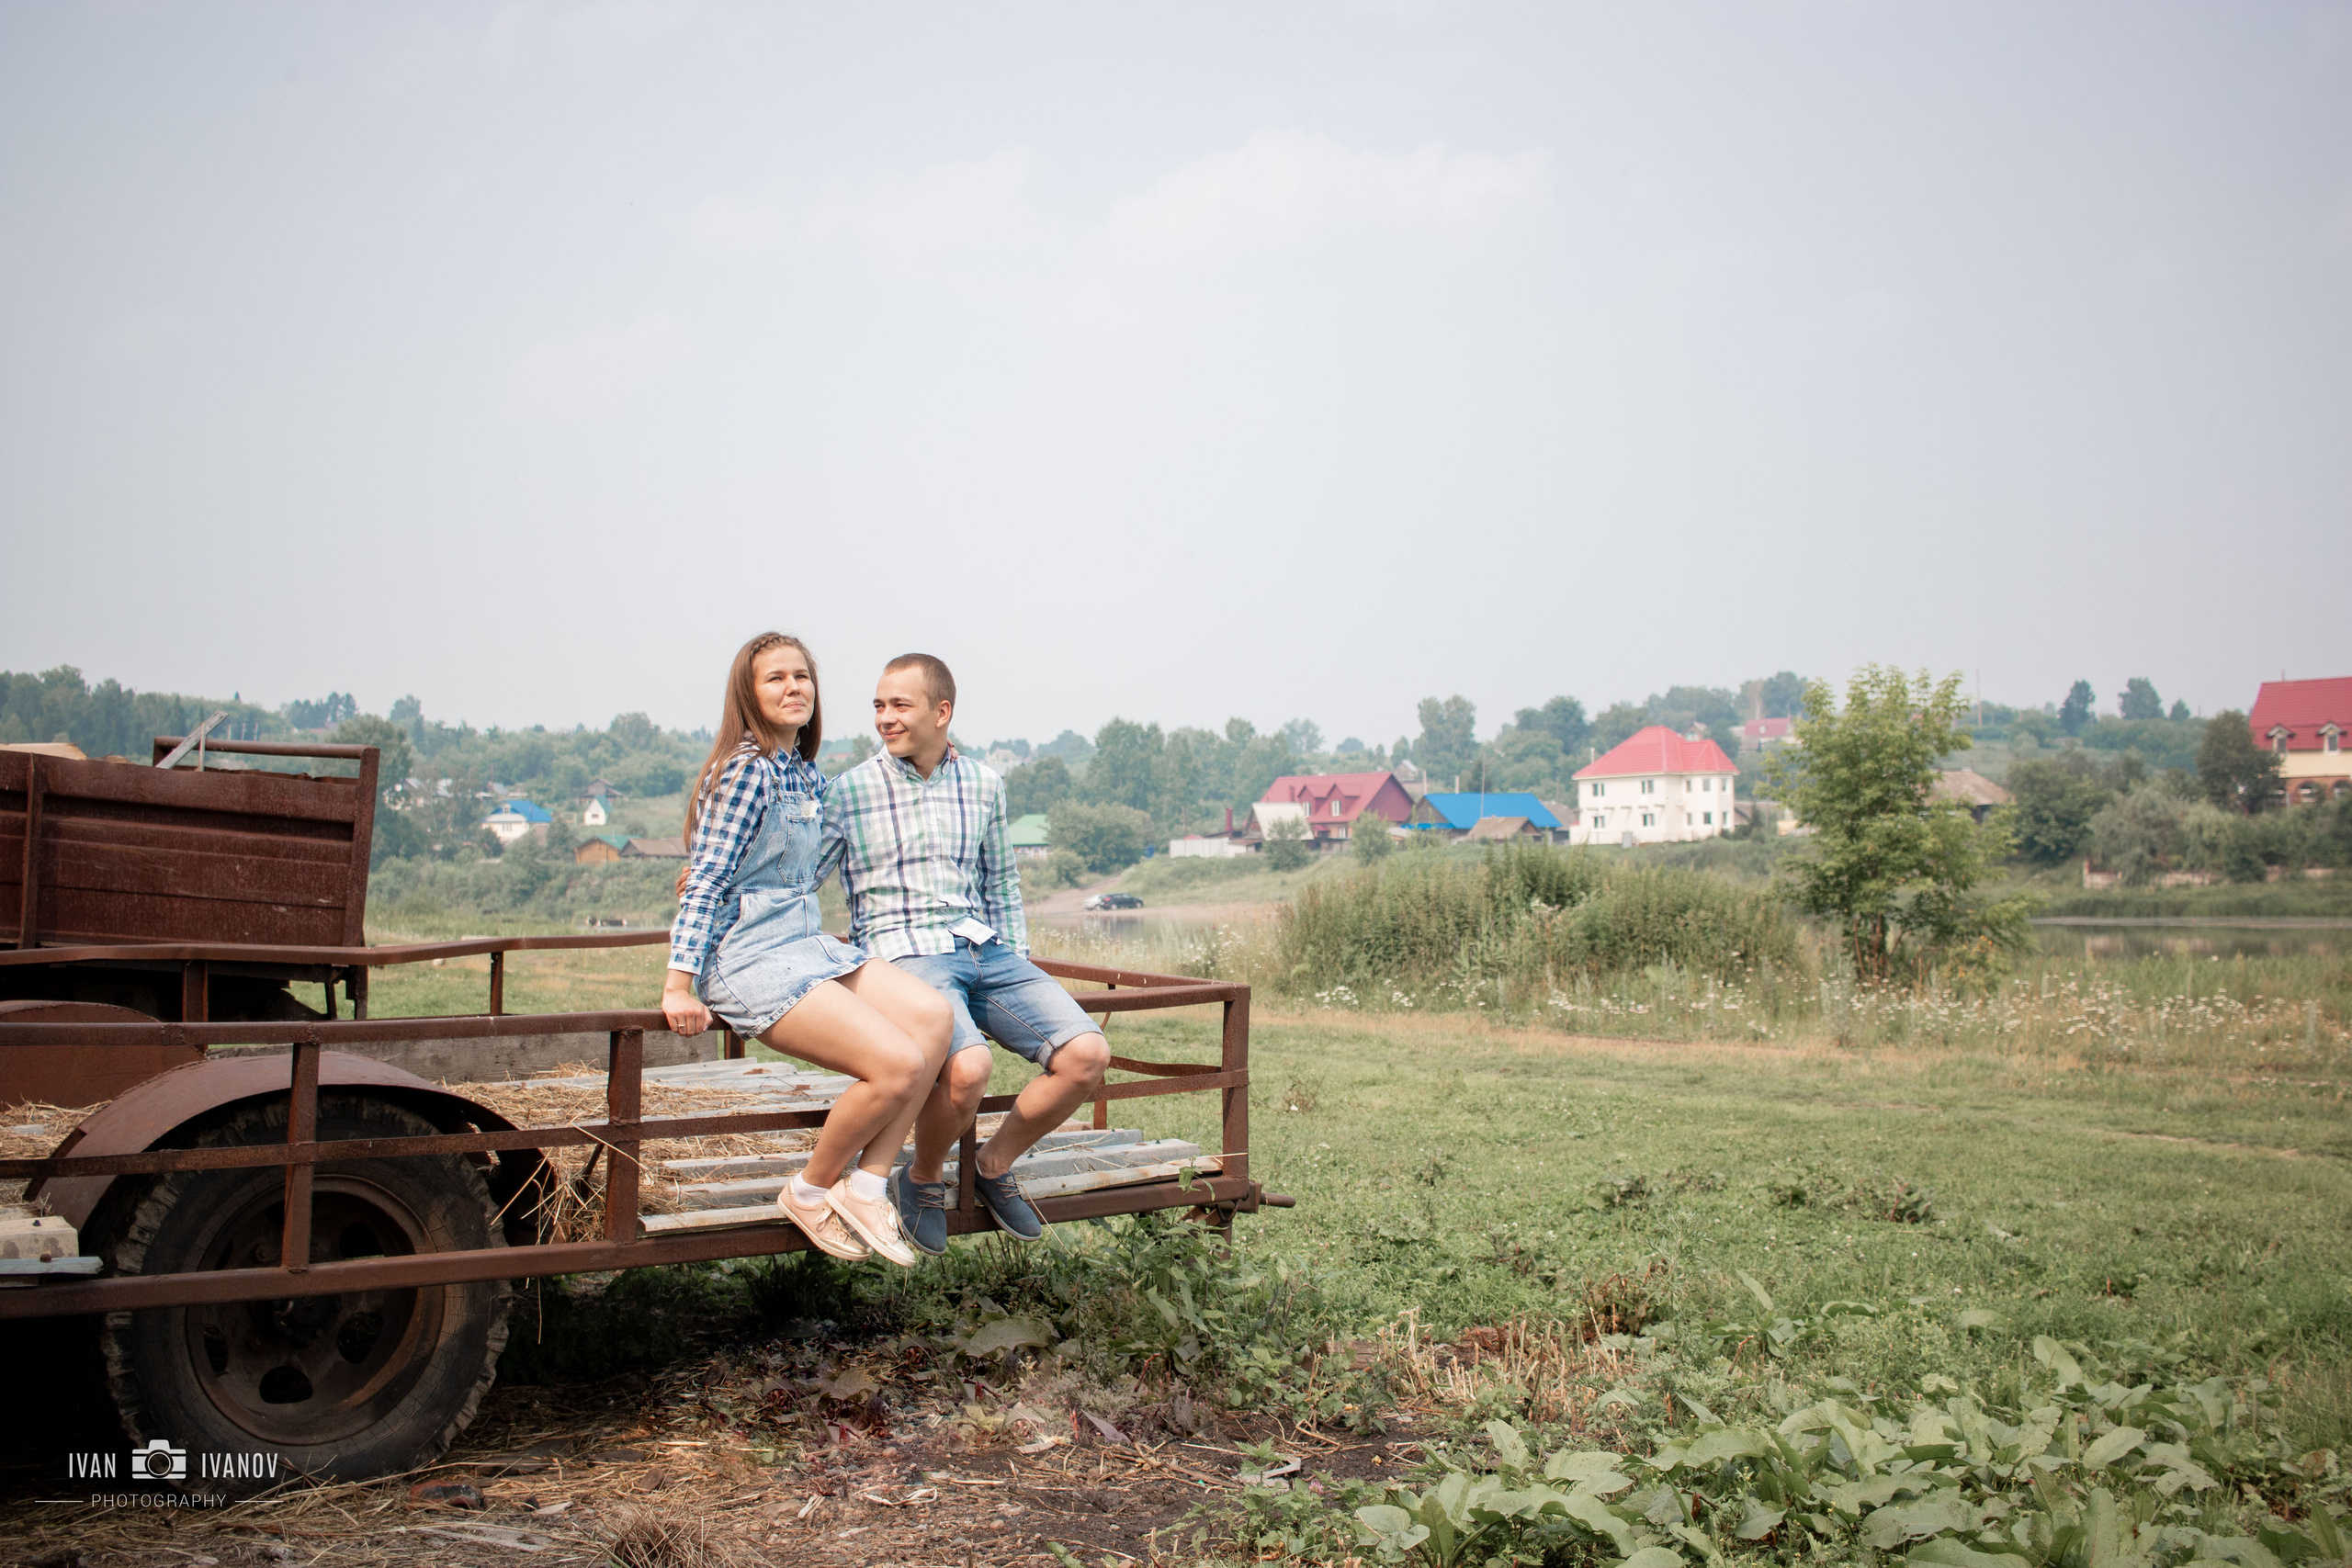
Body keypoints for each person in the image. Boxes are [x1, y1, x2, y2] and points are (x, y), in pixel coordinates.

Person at [662, 632, 953, 1268]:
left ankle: (869, 1185)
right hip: (748, 958)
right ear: (749, 693)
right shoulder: (743, 769)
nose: (794, 688)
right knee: (898, 1063)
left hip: (802, 941)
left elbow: (802, 866)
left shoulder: (803, 774)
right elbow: (709, 879)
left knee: (934, 1017)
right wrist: (678, 984)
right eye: (776, 679)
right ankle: (810, 1187)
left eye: (803, 677)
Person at [819, 653, 1110, 1257]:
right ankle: (920, 1180)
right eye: (878, 705)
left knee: (1087, 1055)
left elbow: (1001, 880)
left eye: (899, 704)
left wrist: (1018, 961)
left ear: (941, 711)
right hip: (904, 956)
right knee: (970, 1067)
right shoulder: (847, 793)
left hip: (984, 949)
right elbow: (794, 873)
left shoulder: (984, 784)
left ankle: (993, 1163)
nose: (884, 718)